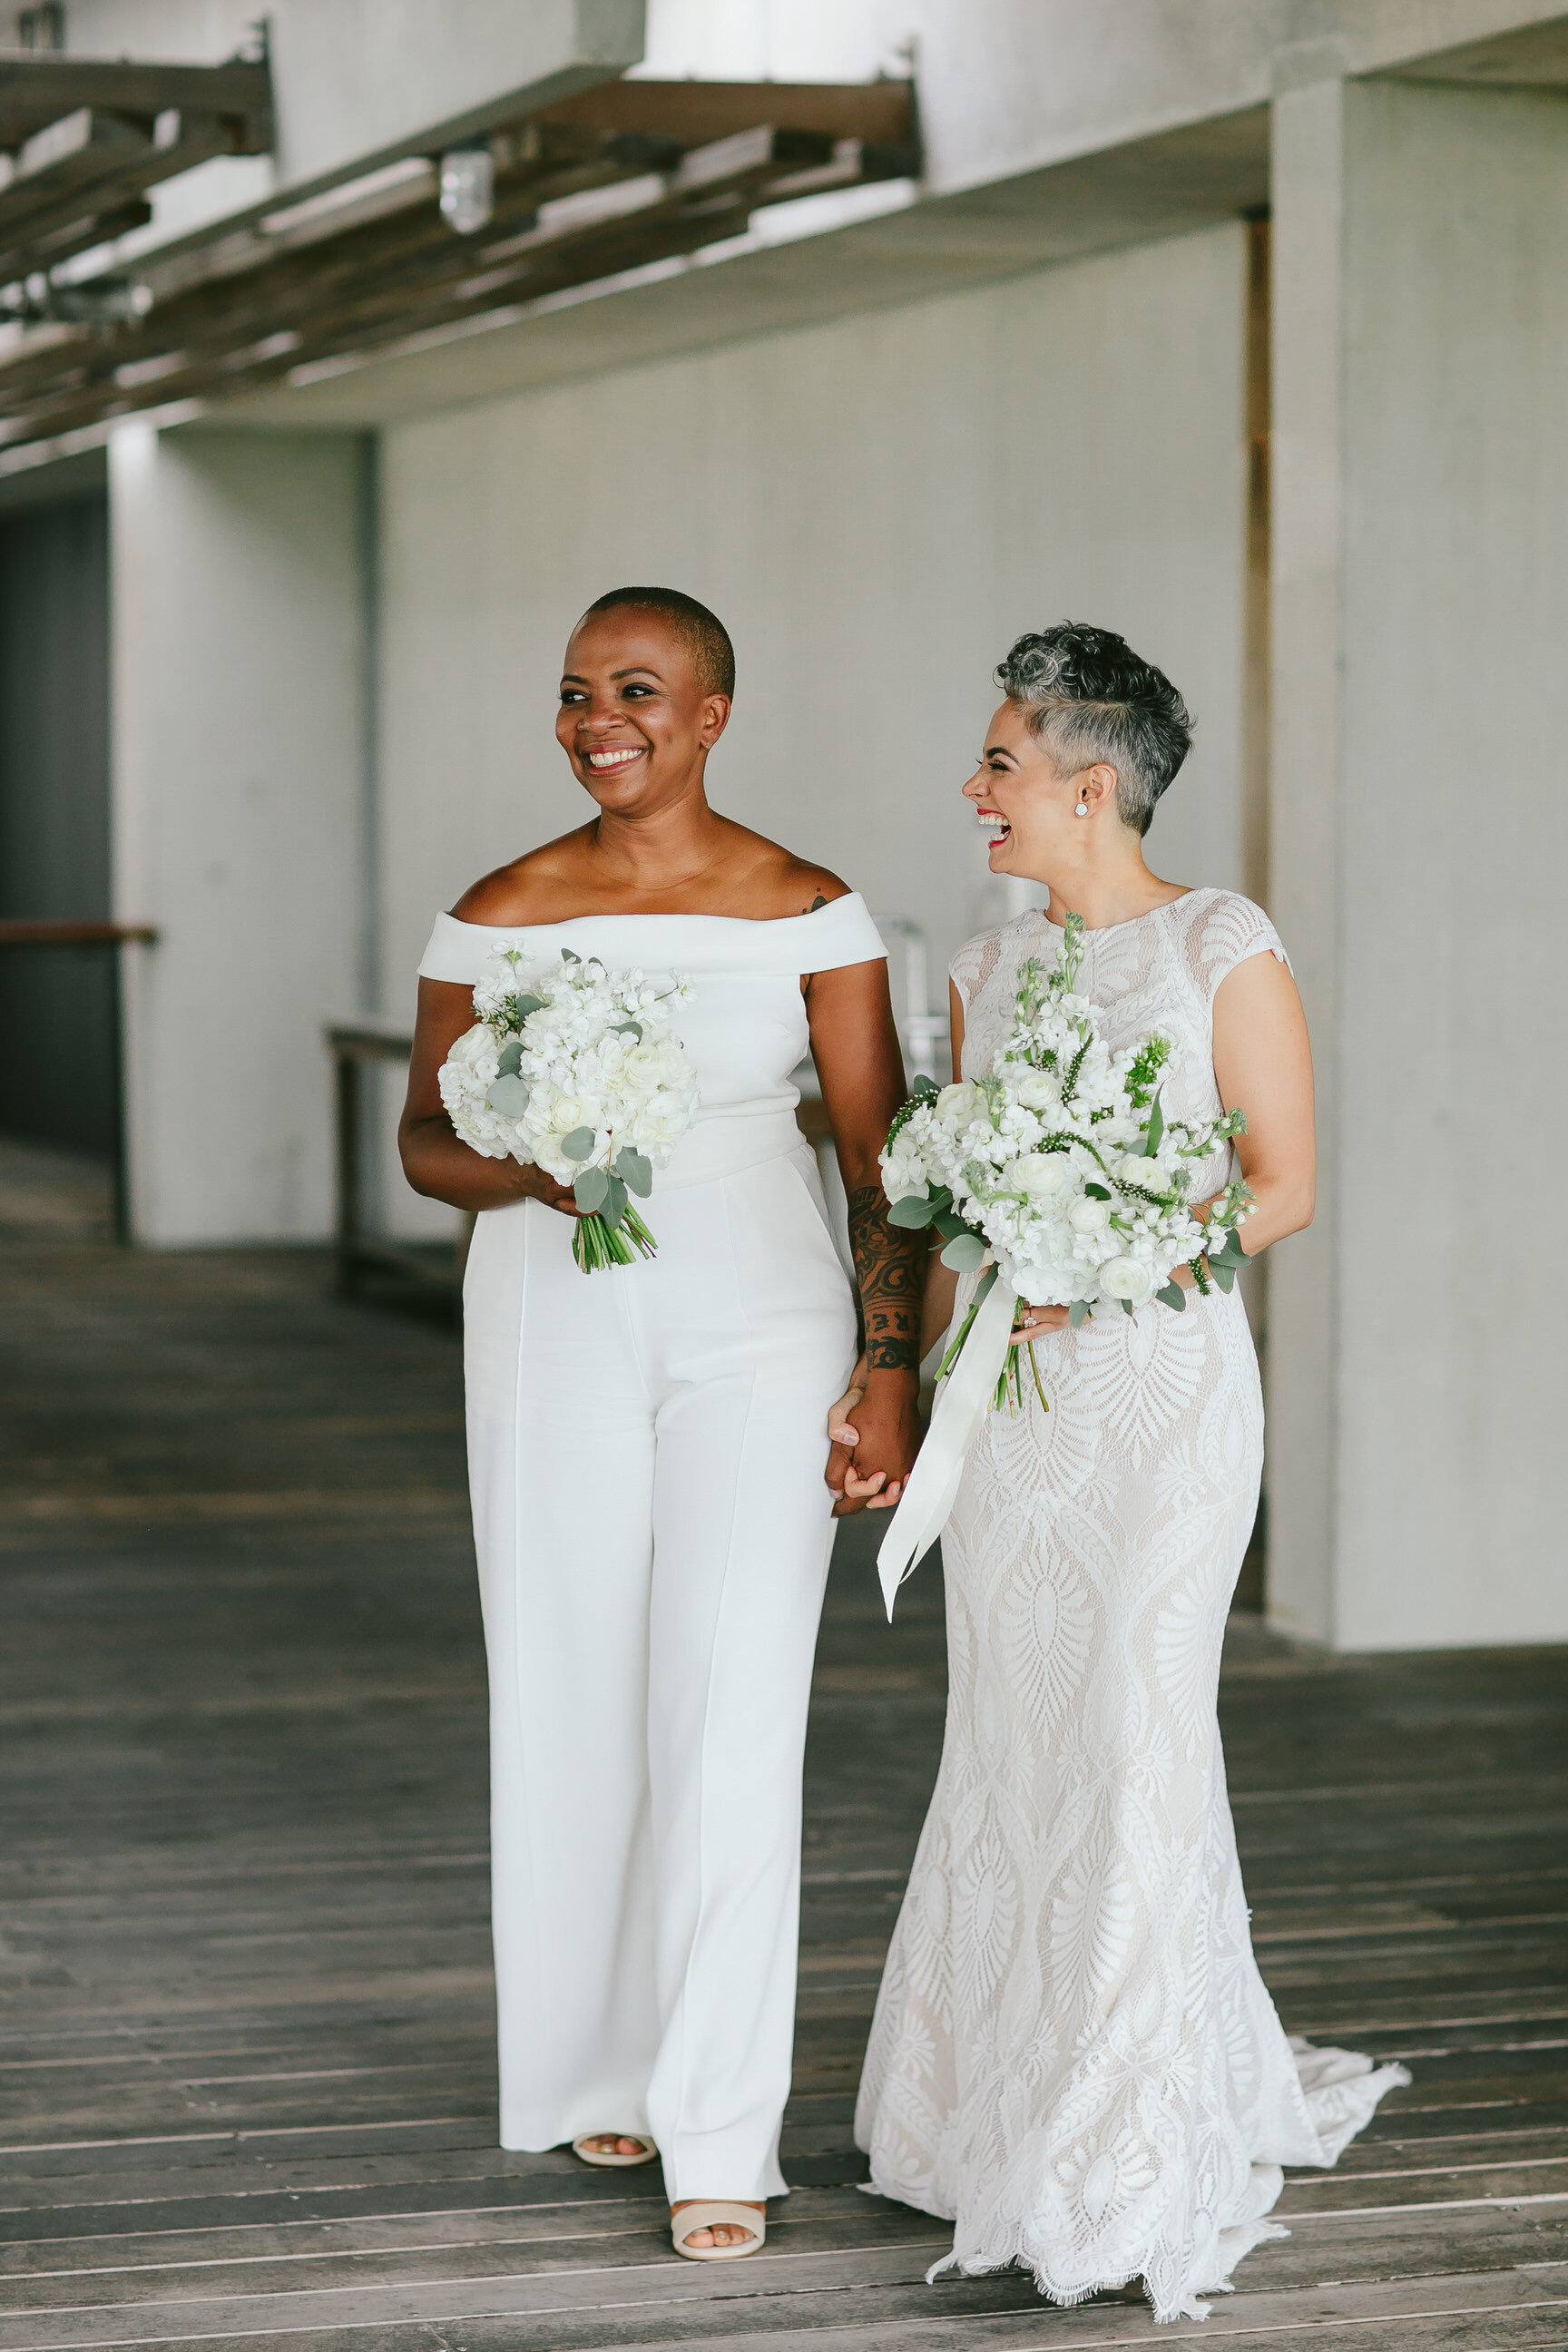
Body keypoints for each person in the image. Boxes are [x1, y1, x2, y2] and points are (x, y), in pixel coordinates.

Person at [835, 624, 1408, 2321]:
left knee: (1140, 1730)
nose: (975, 789)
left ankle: (1114, 2144)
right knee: (1016, 1732)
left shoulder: (1219, 942)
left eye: (999, 763)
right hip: (1013, 1411)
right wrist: (912, 1388)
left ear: (1093, 786)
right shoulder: (988, 972)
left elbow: (1283, 1182)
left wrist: (1117, 1254)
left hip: (1160, 1397)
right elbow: (948, 1211)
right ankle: (982, 2100)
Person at [397, 587, 922, 2262]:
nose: (596, 717)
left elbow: (876, 1156)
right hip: (552, 1313)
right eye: (572, 692)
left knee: (732, 1701)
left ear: (711, 714)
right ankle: (592, 2063)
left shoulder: (812, 911)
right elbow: (424, 1142)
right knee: (562, 1677)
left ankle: (719, 2126)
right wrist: (538, 1168)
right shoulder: (497, 911)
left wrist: (890, 1364)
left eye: (636, 689)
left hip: (762, 1326)